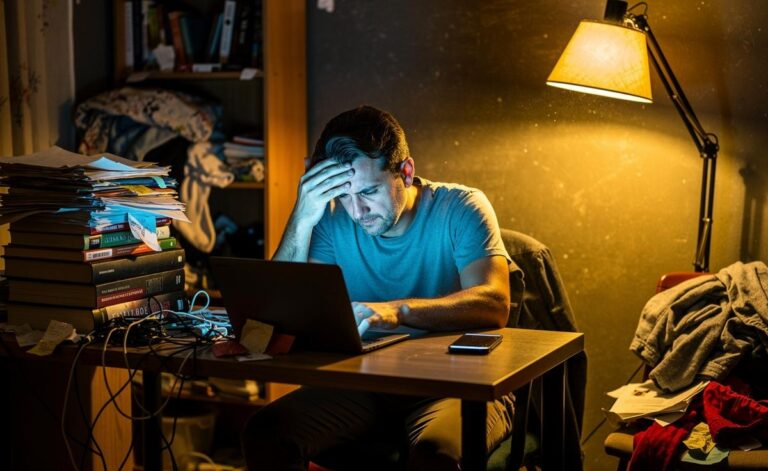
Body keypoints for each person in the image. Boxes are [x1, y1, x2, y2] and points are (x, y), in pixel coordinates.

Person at [241, 105, 513, 470]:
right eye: (345, 195)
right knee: (266, 433)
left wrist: (394, 311)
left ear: (406, 171)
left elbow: (495, 303)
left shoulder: (461, 207)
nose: (357, 210)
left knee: (438, 457)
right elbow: (271, 317)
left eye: (369, 191)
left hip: (456, 384)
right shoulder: (332, 217)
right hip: (365, 385)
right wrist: (303, 215)